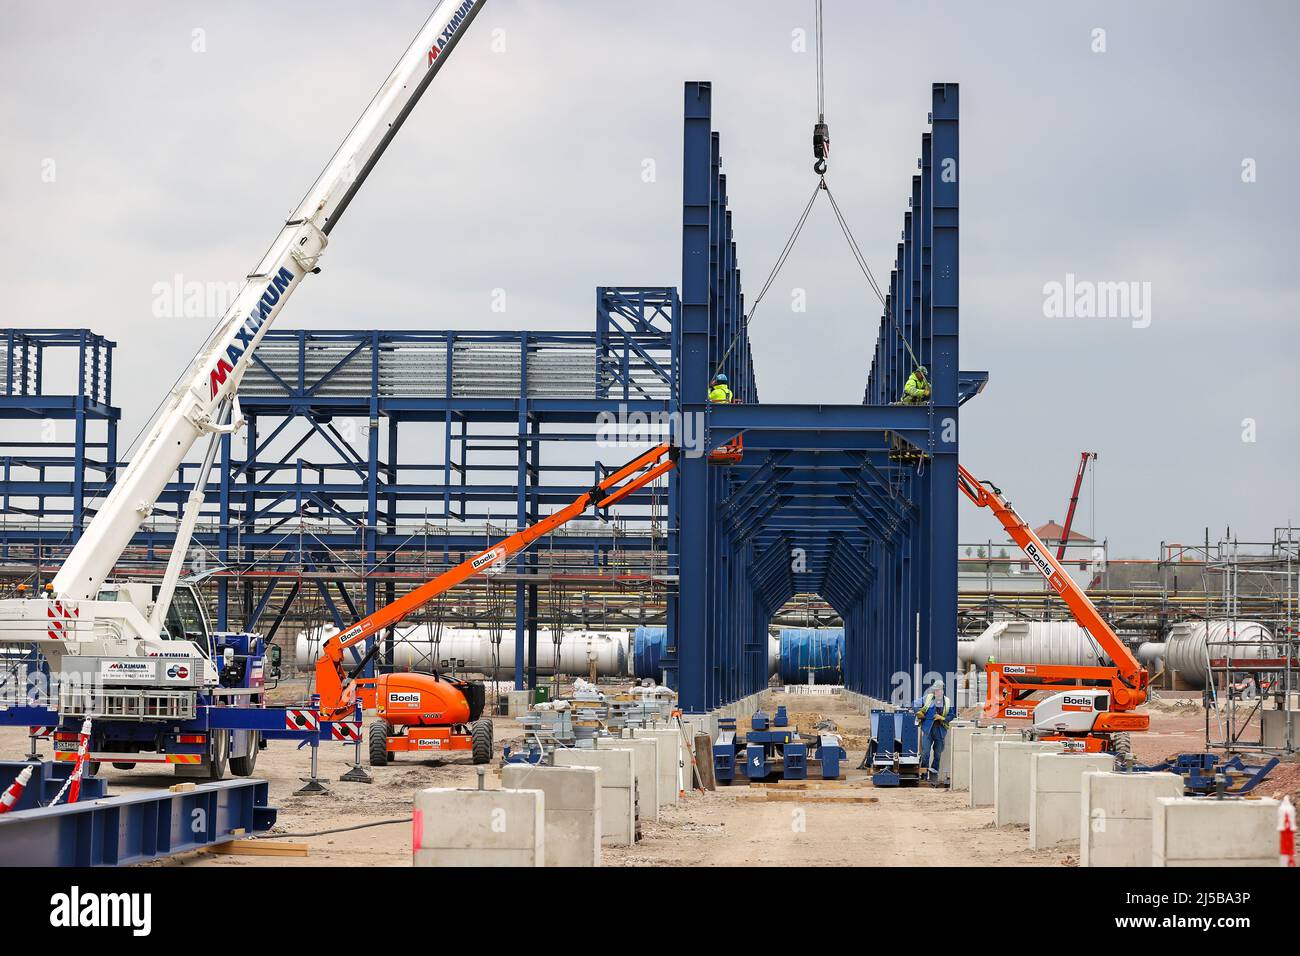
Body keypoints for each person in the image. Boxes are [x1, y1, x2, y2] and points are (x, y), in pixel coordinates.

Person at [916, 679, 955, 786]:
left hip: (940, 731)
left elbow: (952, 715)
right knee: (925, 753)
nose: (936, 692)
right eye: (935, 690)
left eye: (938, 690)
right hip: (928, 730)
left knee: (937, 754)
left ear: (943, 691)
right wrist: (918, 712)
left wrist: (942, 718)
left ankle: (933, 774)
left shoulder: (947, 701)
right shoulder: (928, 698)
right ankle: (923, 774)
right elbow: (914, 703)